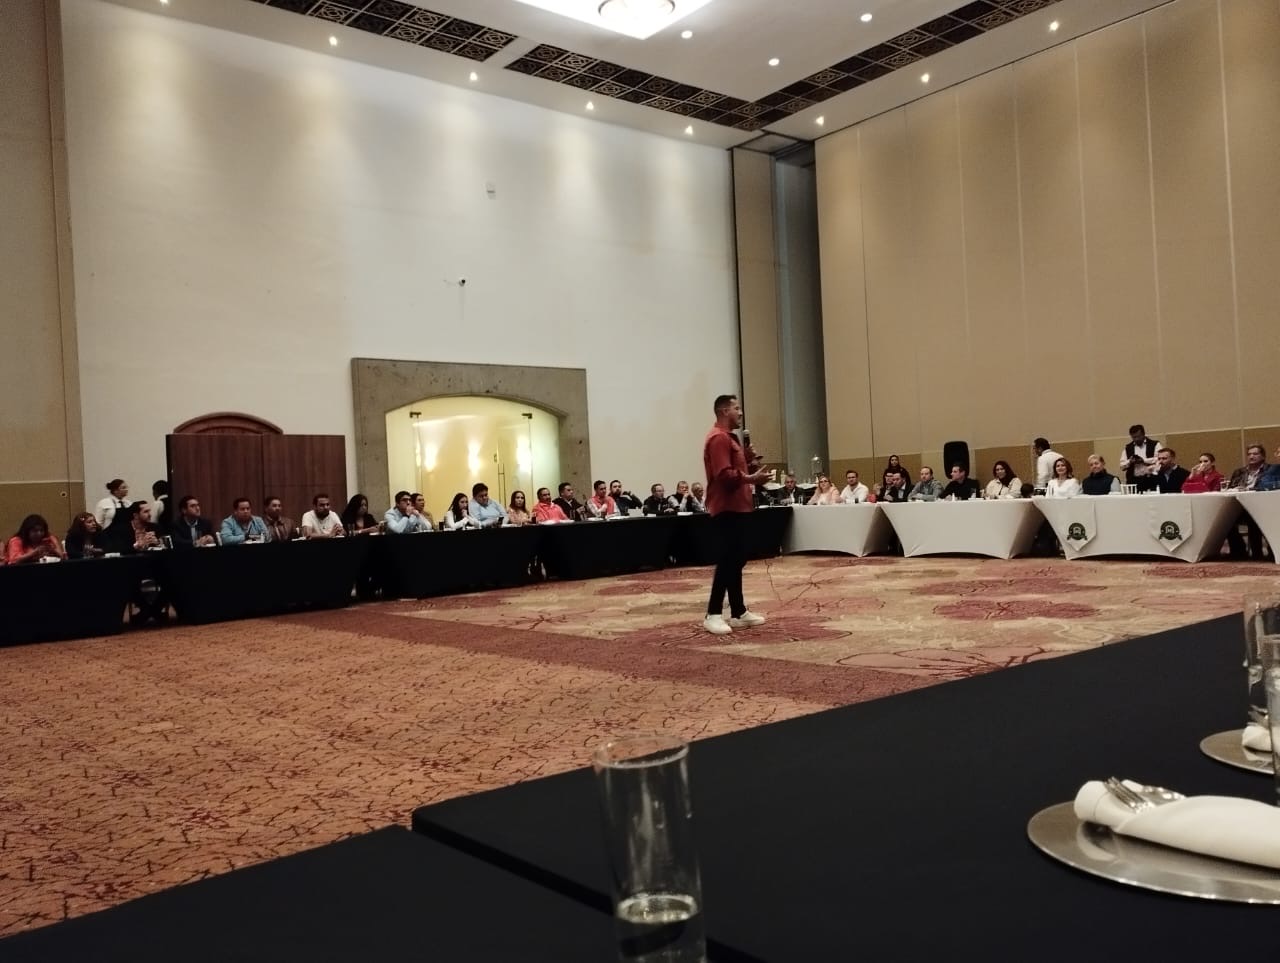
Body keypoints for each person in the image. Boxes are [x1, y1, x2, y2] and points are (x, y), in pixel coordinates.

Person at [701, 394, 770, 636]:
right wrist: (752, 478)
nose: (740, 413)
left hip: (738, 505)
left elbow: (734, 471)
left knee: (736, 559)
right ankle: (713, 614)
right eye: (736, 408)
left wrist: (748, 462)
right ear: (724, 411)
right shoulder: (719, 438)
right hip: (726, 506)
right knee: (727, 559)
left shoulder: (731, 438)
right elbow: (724, 476)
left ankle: (738, 611)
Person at [1227, 445, 1271, 560]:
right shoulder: (1239, 472)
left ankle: (1259, 554)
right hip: (1241, 506)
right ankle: (1239, 551)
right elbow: (1230, 488)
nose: (1251, 456)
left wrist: (1249, 489)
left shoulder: (1270, 470)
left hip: (1263, 507)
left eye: (1255, 454)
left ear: (1263, 456)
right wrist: (1236, 489)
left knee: (1254, 520)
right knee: (1224, 520)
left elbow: (1270, 487)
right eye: (1249, 454)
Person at [1120, 424, 1160, 492]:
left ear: (1144, 434)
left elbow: (1159, 459)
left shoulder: (1155, 444)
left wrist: (1144, 460)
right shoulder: (1128, 447)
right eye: (1134, 437)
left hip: (1151, 479)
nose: (1136, 439)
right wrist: (1130, 461)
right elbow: (1122, 466)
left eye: (1138, 436)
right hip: (1134, 480)